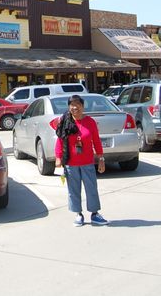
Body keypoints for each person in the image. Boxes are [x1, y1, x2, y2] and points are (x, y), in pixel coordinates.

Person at [54, 94, 109, 226]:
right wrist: (58, 157)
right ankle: (78, 214)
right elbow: (60, 140)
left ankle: (95, 214)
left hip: (87, 162)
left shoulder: (90, 122)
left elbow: (96, 140)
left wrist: (101, 157)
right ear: (69, 107)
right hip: (71, 163)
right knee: (73, 190)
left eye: (78, 105)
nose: (75, 107)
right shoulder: (65, 121)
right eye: (72, 105)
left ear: (83, 107)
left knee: (91, 189)